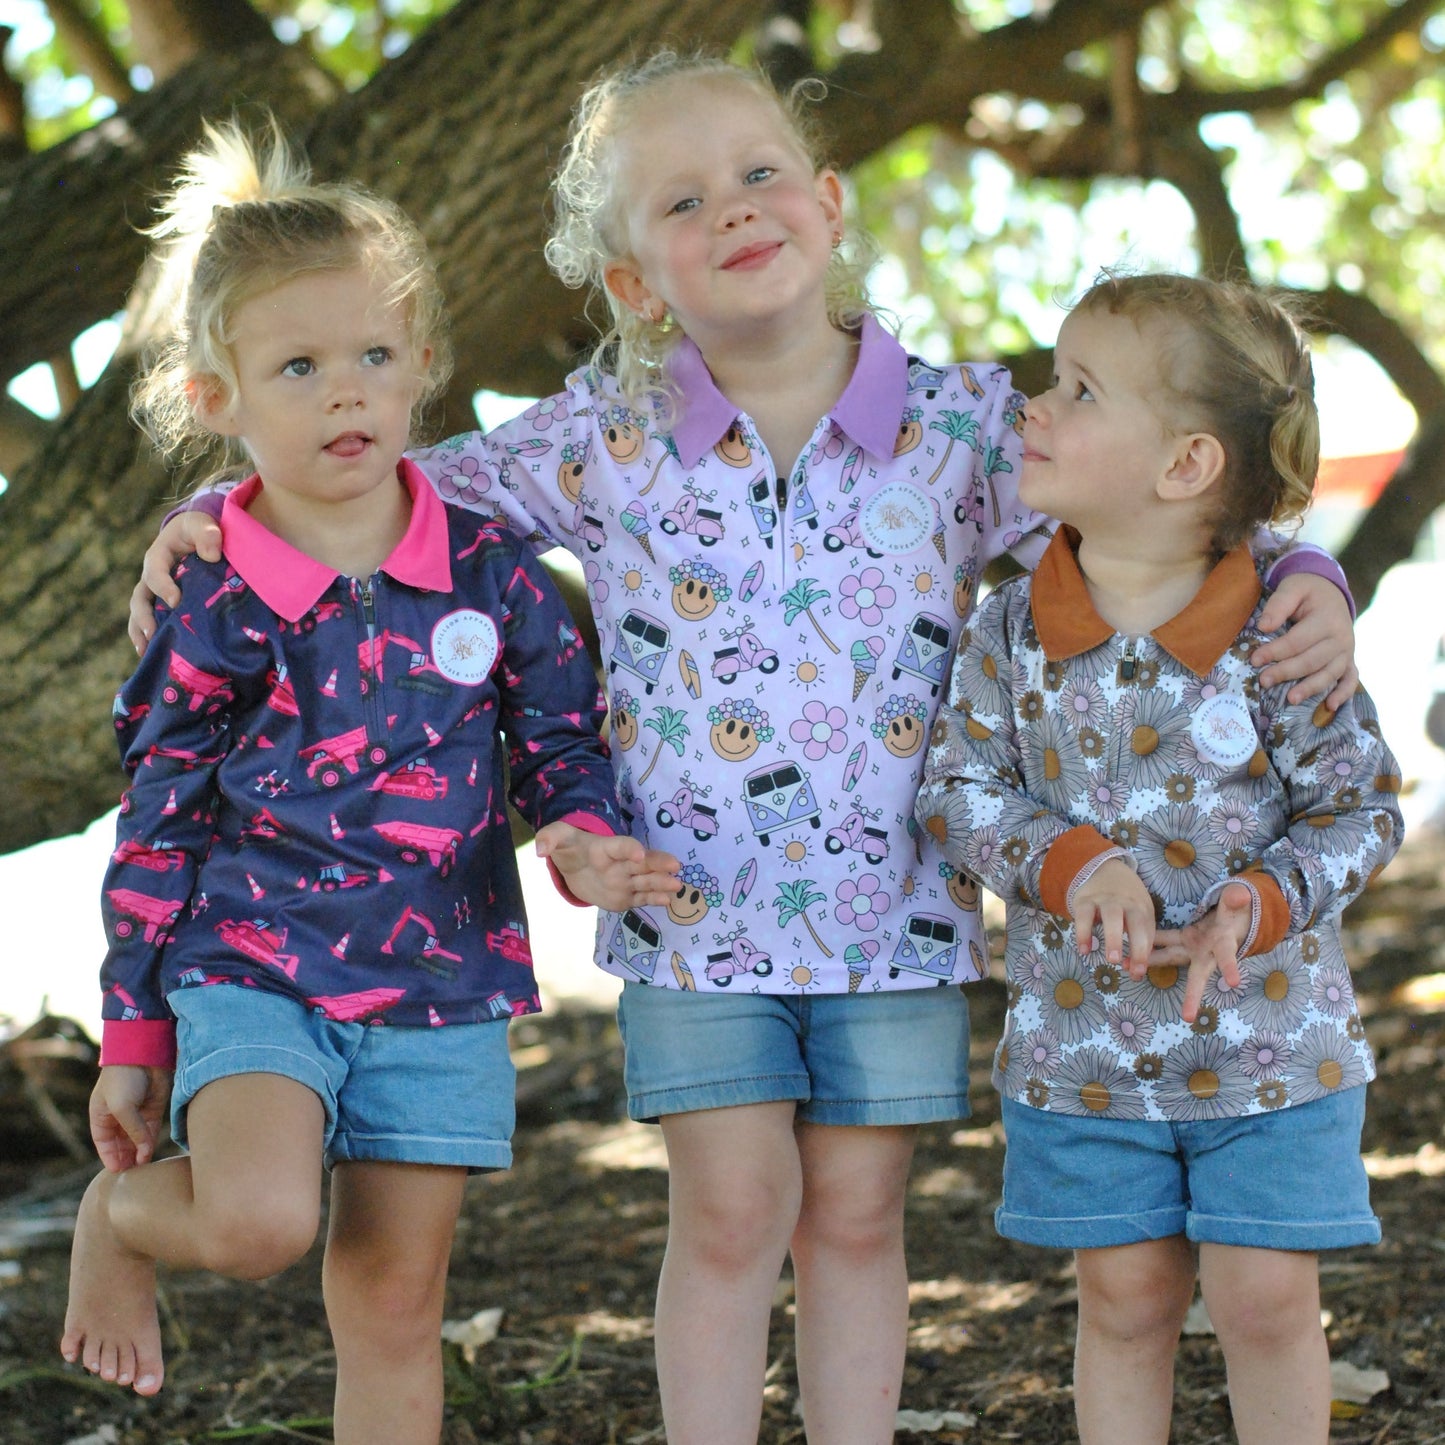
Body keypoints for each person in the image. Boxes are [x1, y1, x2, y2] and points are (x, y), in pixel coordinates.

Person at [129, 58, 1361, 1444]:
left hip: (893, 914)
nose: (735, 208)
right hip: (690, 912)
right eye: (683, 199)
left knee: (853, 1215)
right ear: (635, 285)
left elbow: (1147, 508)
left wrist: (1301, 562)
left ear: (831, 208)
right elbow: (372, 479)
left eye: (761, 174)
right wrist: (211, 511)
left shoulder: (957, 427)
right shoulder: (606, 437)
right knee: (727, 1208)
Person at [61, 118, 678, 1445]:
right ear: (218, 398)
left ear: (421, 372)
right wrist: (133, 1038)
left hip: (444, 980)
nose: (346, 393)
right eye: (299, 365)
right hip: (255, 964)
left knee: (397, 1301)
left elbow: (559, 744)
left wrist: (580, 835)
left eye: (375, 358)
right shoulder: (215, 598)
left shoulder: (496, 575)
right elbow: (158, 821)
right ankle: (122, 1215)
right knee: (257, 1221)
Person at [915, 272, 1405, 1445]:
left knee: (1265, 1297)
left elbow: (1359, 805)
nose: (1034, 405)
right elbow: (955, 787)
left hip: (1272, 1053)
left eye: (1078, 389)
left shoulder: (1280, 632)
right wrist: (1074, 863)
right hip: (1081, 1054)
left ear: (1183, 466)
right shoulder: (1006, 627)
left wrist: (1259, 897)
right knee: (1123, 1301)